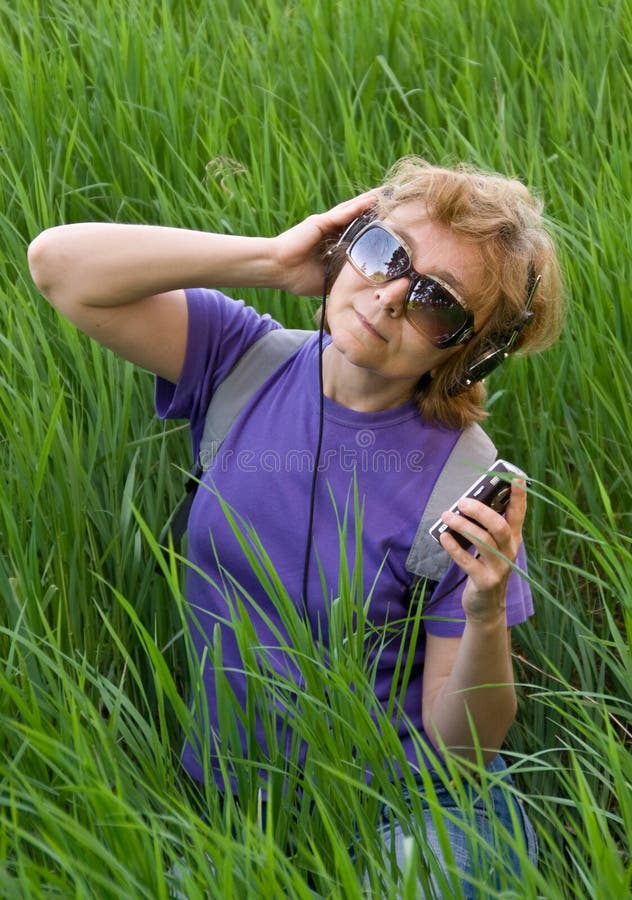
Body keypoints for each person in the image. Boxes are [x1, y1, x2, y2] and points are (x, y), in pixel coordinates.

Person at [28, 157, 564, 895]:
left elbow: (460, 750)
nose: (389, 298)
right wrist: (273, 261)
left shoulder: (461, 484)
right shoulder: (240, 362)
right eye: (386, 253)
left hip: (407, 808)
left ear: (471, 353)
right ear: (349, 241)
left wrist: (485, 613)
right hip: (237, 803)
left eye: (437, 303)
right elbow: (59, 265)